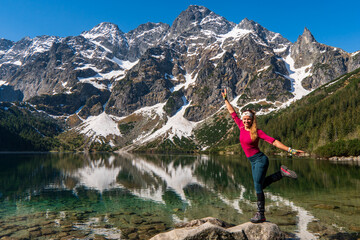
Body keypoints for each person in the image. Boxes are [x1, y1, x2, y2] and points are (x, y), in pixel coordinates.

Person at [221, 89, 304, 223]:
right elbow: (232, 112)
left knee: (258, 186)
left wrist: (291, 150)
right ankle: (281, 173)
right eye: (245, 119)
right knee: (260, 185)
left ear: (252, 120)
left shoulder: (257, 131)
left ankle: (261, 214)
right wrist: (225, 99)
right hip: (253, 161)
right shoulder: (241, 126)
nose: (246, 121)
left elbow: (274, 141)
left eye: (249, 119)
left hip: (260, 160)